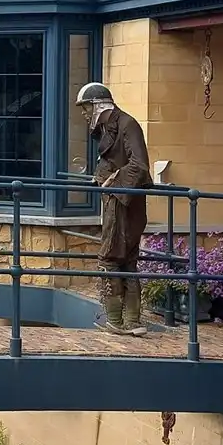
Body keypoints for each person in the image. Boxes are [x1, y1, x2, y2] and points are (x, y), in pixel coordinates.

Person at [77, 82, 151, 336]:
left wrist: (114, 181)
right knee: (126, 260)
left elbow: (139, 165)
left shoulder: (127, 124)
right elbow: (112, 160)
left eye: (86, 108)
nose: (85, 114)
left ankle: (118, 321)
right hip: (118, 198)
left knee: (110, 258)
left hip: (124, 201)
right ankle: (130, 321)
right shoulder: (110, 127)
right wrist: (101, 176)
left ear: (98, 106)